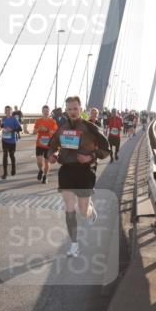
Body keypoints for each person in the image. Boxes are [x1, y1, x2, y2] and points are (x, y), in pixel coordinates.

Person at [46, 96, 110, 258]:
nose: (72, 112)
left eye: (75, 108)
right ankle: (74, 244)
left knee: (83, 211)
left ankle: (90, 210)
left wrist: (90, 157)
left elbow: (106, 150)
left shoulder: (90, 128)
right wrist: (52, 155)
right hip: (66, 170)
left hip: (85, 171)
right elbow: (52, 146)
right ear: (66, 110)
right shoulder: (62, 128)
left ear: (81, 109)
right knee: (69, 209)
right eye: (69, 109)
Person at [32, 105, 59, 184]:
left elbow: (54, 133)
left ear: (49, 112)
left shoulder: (52, 121)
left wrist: (47, 130)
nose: (46, 112)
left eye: (47, 111)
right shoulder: (38, 121)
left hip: (49, 145)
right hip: (39, 144)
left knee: (47, 162)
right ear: (42, 112)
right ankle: (41, 170)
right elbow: (34, 132)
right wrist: (38, 129)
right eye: (44, 111)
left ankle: (45, 176)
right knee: (39, 161)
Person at [0, 105, 23, 180]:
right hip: (4, 140)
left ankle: (13, 168)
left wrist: (12, 130)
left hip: (12, 140)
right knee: (5, 155)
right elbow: (2, 125)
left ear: (11, 111)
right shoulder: (3, 119)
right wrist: (0, 127)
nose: (7, 112)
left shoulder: (14, 119)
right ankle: (5, 173)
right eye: (6, 110)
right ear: (4, 111)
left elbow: (20, 128)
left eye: (9, 110)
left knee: (11, 155)